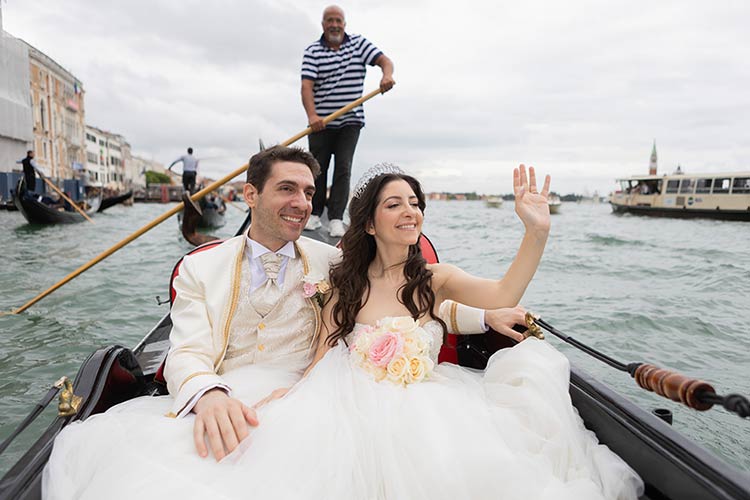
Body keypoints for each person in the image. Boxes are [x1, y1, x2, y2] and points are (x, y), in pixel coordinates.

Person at [41, 147, 496, 499]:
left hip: (315, 395)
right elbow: (186, 352)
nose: (301, 203)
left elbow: (398, 302)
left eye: (309, 193)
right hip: (231, 393)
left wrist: (485, 315)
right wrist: (209, 394)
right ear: (250, 194)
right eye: (287, 190)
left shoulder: (335, 261)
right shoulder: (200, 268)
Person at [215, 164, 644, 499]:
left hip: (431, 407)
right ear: (369, 223)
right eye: (395, 203)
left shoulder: (436, 279)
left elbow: (503, 293)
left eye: (415, 202)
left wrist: (537, 232)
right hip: (349, 404)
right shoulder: (343, 285)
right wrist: (290, 395)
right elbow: (325, 352)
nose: (411, 211)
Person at [301, 5, 395, 238]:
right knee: (317, 169)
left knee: (343, 169)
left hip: (350, 120)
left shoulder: (359, 44)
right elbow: (306, 87)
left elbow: (385, 61)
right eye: (330, 20)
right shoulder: (313, 51)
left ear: (344, 24)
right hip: (320, 122)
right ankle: (314, 214)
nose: (334, 25)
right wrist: (312, 116)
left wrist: (386, 75)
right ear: (323, 24)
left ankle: (335, 218)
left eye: (338, 20)